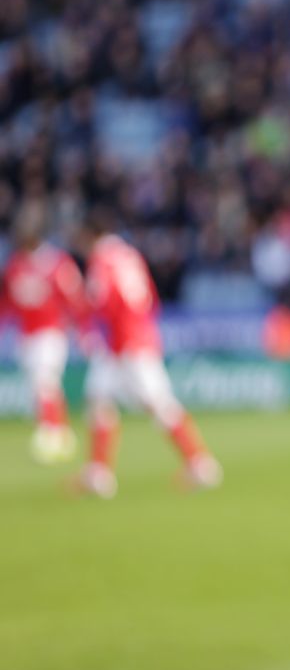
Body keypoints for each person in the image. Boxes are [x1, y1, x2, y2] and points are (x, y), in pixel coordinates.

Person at [73, 212, 222, 499]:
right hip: (137, 335)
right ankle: (98, 474)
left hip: (125, 341)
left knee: (157, 402)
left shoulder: (102, 259)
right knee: (99, 397)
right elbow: (150, 297)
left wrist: (97, 332)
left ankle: (201, 463)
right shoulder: (129, 255)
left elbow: (104, 301)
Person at [1, 205, 88, 465]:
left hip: (51, 333)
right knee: (40, 386)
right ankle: (60, 431)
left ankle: (51, 433)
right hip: (26, 335)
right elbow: (9, 302)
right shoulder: (15, 264)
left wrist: (82, 329)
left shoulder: (56, 262)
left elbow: (74, 299)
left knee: (44, 380)